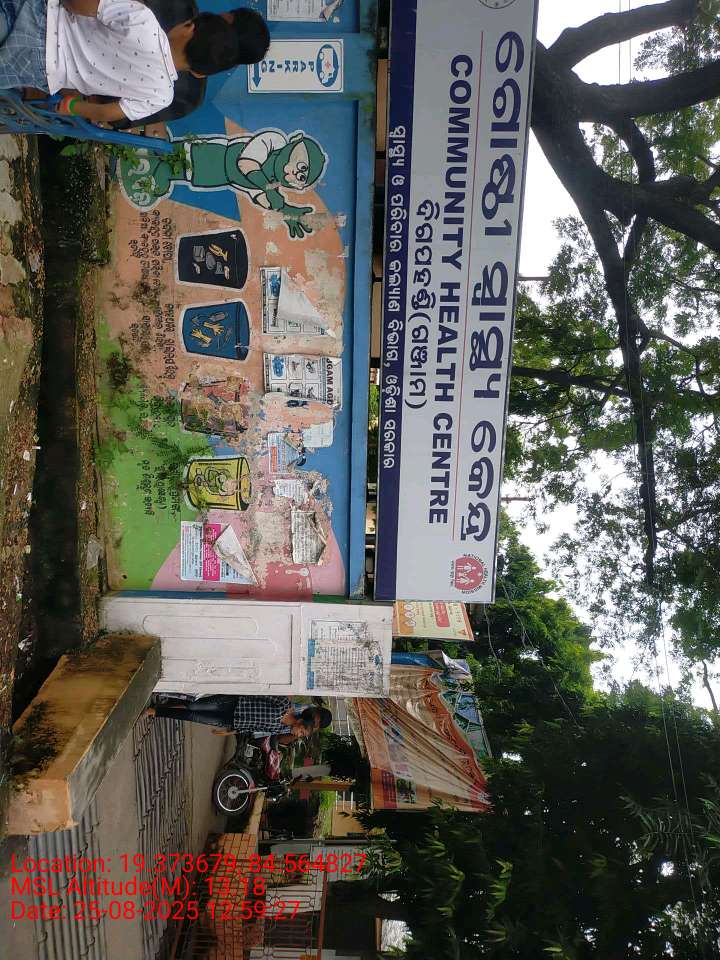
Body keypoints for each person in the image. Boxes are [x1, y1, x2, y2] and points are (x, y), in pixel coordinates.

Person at [0, 0, 270, 125]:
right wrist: (70, 106)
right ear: (201, 73)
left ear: (189, 26)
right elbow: (108, 113)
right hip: (42, 71)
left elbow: (81, 5)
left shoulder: (144, 19)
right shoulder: (164, 97)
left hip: (39, 20)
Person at [147, 694, 332, 744]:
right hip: (231, 704)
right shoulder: (284, 704)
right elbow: (259, 693)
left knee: (193, 715)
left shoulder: (282, 729)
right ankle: (168, 696)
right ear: (301, 722)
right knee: (193, 705)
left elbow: (256, 728)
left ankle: (156, 711)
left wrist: (231, 732)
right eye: (302, 732)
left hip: (232, 722)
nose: (299, 735)